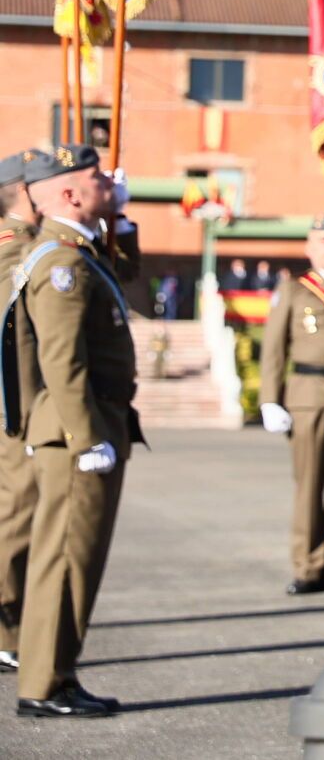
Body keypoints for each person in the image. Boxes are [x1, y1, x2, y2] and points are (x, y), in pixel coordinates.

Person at [9, 145, 139, 718]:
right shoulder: (60, 261)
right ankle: (44, 682)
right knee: (64, 559)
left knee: (75, 560)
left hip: (88, 422)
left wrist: (122, 217)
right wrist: (88, 439)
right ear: (69, 193)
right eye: (96, 177)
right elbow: (63, 361)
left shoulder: (79, 252)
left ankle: (54, 673)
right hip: (74, 430)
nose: (109, 181)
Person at [259, 216, 324, 595]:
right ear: (309, 246)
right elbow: (274, 349)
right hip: (308, 398)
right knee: (309, 487)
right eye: (323, 239)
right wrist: (270, 399)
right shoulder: (293, 290)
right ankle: (308, 565)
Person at [0, 152, 43, 675]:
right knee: (18, 515)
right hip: (20, 406)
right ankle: (5, 626)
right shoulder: (15, 250)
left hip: (27, 403)